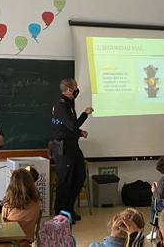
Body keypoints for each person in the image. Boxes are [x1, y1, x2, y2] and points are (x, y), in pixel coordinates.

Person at [51, 78, 93, 222]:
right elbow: (71, 125)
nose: (77, 89)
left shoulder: (69, 103)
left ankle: (69, 209)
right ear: (69, 90)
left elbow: (68, 127)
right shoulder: (61, 105)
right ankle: (61, 214)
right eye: (75, 87)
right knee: (65, 181)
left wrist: (79, 132)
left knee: (79, 177)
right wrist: (85, 114)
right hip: (64, 149)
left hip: (73, 146)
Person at [2, 168, 40, 247]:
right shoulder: (37, 203)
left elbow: (2, 224)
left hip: (9, 243)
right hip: (26, 242)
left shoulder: (8, 205)